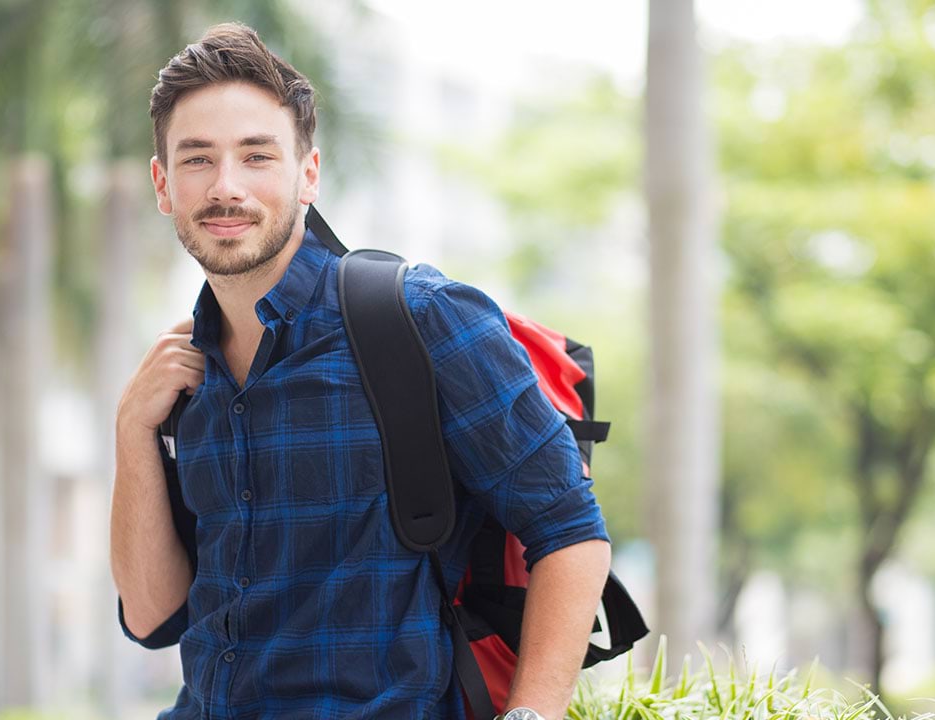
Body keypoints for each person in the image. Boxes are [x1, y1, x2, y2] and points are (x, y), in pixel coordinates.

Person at [109, 22, 611, 720]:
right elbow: (153, 616)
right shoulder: (181, 376)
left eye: (257, 157)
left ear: (307, 174)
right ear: (164, 185)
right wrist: (132, 429)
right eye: (198, 160)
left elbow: (570, 528)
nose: (226, 187)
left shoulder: (420, 319)